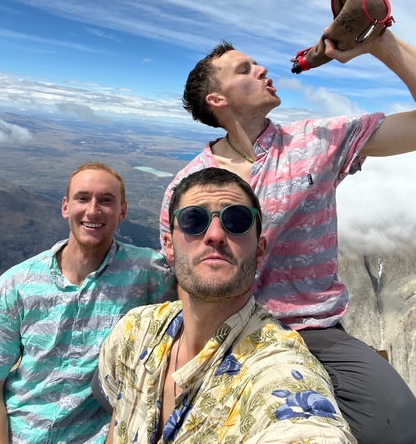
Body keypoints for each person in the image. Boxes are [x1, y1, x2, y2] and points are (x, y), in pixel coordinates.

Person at [159, 30, 416, 444]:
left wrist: (379, 43)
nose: (262, 69)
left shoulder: (318, 141)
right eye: (245, 69)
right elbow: (184, 277)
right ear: (217, 100)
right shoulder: (187, 186)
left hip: (313, 330)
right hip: (221, 330)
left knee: (398, 421)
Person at [98, 168, 355, 443]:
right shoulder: (133, 332)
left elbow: (303, 426)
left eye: (237, 220)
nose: (216, 234)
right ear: (169, 246)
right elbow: (120, 418)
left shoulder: (276, 370)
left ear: (259, 250)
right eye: (194, 219)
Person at [0, 162, 176, 444]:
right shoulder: (16, 284)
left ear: (122, 211)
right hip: (20, 433)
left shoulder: (149, 273)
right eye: (83, 198)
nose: (93, 210)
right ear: (65, 207)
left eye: (106, 201)